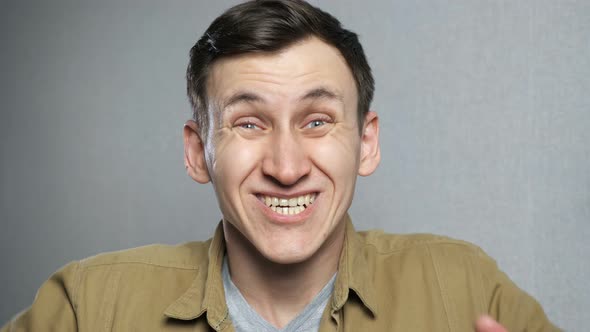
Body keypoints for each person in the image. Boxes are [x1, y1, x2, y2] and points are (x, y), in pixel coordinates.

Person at [1, 1, 560, 331]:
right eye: (249, 123)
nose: (287, 167)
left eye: (317, 121)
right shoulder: (88, 308)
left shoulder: (464, 290)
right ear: (199, 152)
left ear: (366, 144)